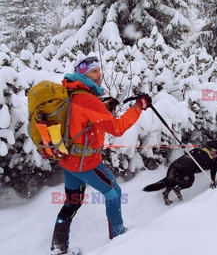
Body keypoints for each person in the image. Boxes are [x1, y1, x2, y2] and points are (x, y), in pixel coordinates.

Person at [51, 56, 151, 255]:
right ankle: (120, 238)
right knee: (114, 193)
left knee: (72, 202)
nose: (100, 75)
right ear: (82, 73)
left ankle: (58, 248)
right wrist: (138, 107)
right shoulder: (87, 98)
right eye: (94, 72)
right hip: (85, 163)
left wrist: (102, 109)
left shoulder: (70, 92)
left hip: (68, 160)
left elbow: (78, 120)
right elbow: (117, 128)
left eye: (99, 70)